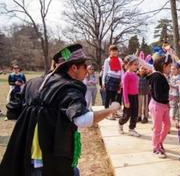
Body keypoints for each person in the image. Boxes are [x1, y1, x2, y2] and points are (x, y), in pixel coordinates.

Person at [0, 44, 121, 176]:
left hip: (25, 157)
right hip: (51, 162)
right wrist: (111, 109)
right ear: (74, 67)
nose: (87, 71)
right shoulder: (70, 88)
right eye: (84, 66)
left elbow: (12, 111)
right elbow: (82, 120)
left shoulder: (32, 82)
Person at [147, 53, 172, 158]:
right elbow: (157, 95)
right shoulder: (157, 76)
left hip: (164, 105)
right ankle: (155, 148)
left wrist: (167, 102)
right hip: (157, 105)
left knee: (167, 125)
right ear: (163, 65)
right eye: (169, 66)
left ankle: (159, 141)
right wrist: (167, 99)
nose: (170, 68)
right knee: (157, 128)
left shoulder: (162, 76)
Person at [118, 55, 141, 137]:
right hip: (128, 97)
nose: (137, 66)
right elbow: (125, 90)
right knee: (127, 115)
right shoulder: (126, 75)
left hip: (135, 96)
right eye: (135, 64)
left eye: (137, 64)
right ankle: (120, 123)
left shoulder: (134, 74)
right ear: (129, 65)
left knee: (135, 114)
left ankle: (132, 129)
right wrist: (126, 101)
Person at [102, 45, 124, 120]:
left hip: (117, 80)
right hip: (109, 79)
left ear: (118, 52)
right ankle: (106, 113)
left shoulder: (120, 60)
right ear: (110, 52)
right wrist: (103, 81)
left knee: (115, 97)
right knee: (108, 96)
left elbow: (121, 71)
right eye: (112, 50)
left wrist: (122, 80)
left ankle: (114, 112)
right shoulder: (107, 60)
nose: (114, 52)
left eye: (116, 51)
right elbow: (105, 71)